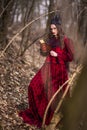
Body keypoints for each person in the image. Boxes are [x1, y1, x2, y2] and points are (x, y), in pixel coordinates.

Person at [18, 15, 74, 129]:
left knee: (52, 94)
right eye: (51, 28)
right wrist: (43, 47)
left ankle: (48, 117)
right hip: (47, 67)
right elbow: (44, 53)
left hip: (59, 70)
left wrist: (58, 54)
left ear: (59, 28)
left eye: (55, 28)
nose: (53, 31)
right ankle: (37, 113)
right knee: (33, 85)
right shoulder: (51, 39)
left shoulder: (66, 40)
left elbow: (70, 57)